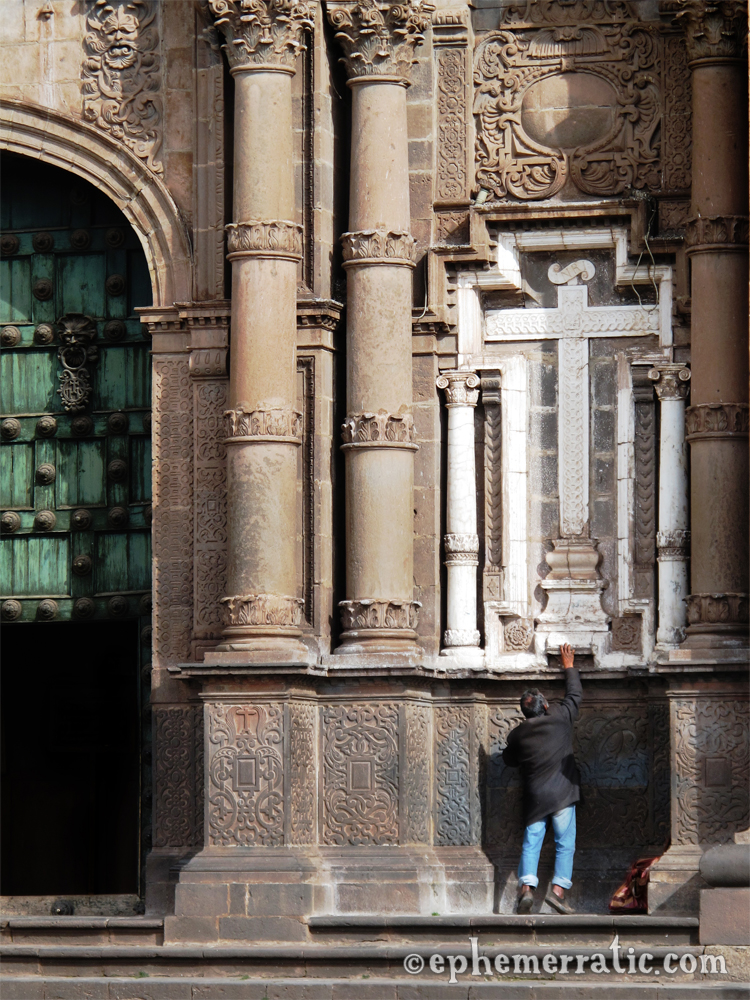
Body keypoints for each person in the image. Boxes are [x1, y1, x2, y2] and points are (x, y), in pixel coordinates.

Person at [502, 642, 582, 914]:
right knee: (565, 843)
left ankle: (526, 889)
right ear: (545, 706)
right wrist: (568, 667)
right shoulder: (560, 717)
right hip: (562, 795)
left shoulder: (518, 735)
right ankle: (558, 892)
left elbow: (509, 759)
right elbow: (574, 696)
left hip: (536, 798)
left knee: (532, 842)